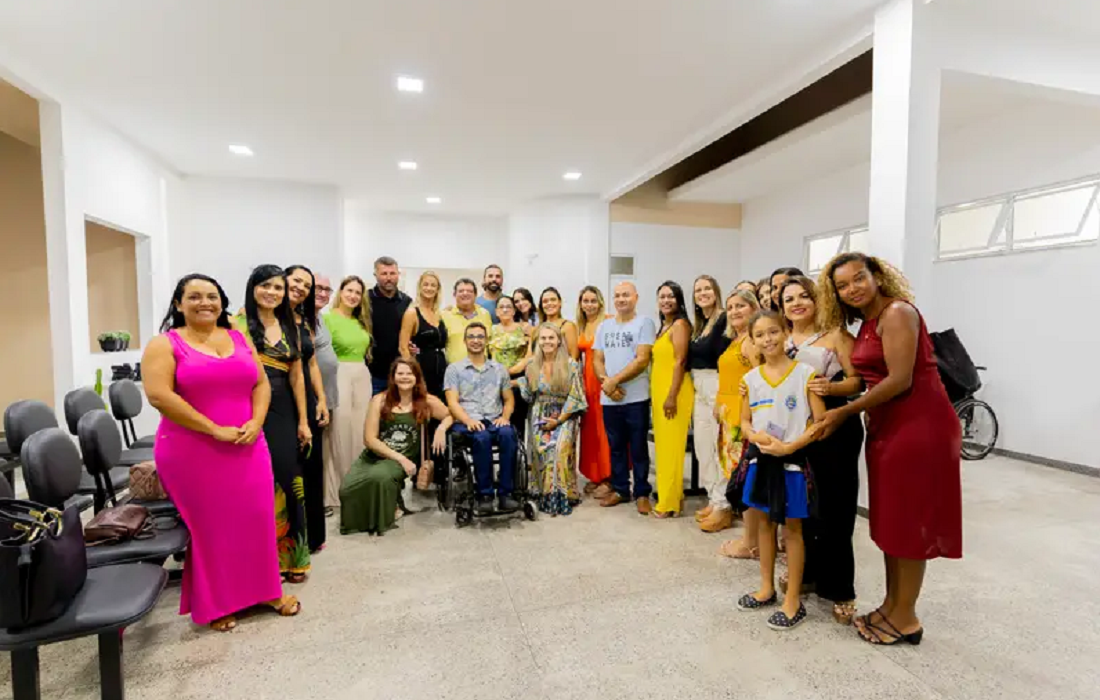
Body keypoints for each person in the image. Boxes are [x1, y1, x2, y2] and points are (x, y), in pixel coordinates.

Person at [817, 253, 962, 646]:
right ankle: (892, 604)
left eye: (858, 278)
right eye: (842, 286)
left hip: (919, 426)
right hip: (888, 427)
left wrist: (845, 410)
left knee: (911, 521)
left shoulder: (897, 313)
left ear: (877, 276)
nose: (852, 289)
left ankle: (907, 617)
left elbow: (899, 380)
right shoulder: (868, 321)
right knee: (894, 521)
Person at [143, 274, 300, 632]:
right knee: (212, 526)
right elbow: (159, 395)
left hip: (247, 443)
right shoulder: (164, 344)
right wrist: (213, 428)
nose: (205, 303)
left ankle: (266, 591)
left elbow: (261, 382)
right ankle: (219, 602)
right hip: (192, 449)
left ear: (222, 302)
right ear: (179, 303)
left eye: (212, 296)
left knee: (257, 518)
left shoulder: (237, 337)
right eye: (194, 296)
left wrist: (257, 421)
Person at [778, 275, 865, 624]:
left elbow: (858, 381)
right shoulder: (780, 338)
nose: (797, 303)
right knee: (803, 507)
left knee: (836, 509)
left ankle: (841, 588)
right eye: (788, 299)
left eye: (804, 296)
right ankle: (808, 574)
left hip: (834, 425)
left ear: (818, 300)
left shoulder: (837, 336)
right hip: (795, 430)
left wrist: (831, 388)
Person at [735, 310, 825, 632]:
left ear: (785, 332)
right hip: (762, 462)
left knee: (793, 529)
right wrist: (754, 435)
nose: (768, 339)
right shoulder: (750, 380)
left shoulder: (806, 374)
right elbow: (744, 421)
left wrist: (790, 447)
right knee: (764, 524)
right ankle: (766, 588)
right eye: (759, 335)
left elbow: (819, 422)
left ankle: (793, 601)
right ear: (752, 341)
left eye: (773, 331)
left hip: (792, 463)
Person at [237, 265, 311, 583]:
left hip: (283, 409)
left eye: (278, 288)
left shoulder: (289, 325)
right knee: (253, 483)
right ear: (253, 288)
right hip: (245, 407)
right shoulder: (236, 324)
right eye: (265, 286)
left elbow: (297, 377)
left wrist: (303, 420)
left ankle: (292, 559)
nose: (272, 292)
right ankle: (258, 562)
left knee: (288, 478)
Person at [340, 358, 452, 535]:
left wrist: (441, 428)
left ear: (416, 378)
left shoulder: (426, 401)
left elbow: (451, 414)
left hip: (405, 456)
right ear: (393, 377)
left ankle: (384, 514)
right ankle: (369, 517)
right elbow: (369, 439)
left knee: (380, 477)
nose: (405, 377)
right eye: (400, 373)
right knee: (347, 489)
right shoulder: (379, 400)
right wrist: (400, 458)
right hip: (378, 455)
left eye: (409, 373)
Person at [593, 282, 657, 514]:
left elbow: (642, 359)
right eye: (618, 295)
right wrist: (607, 384)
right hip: (610, 399)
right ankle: (621, 489)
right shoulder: (604, 326)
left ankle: (641, 492)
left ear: (636, 297)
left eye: (626, 295)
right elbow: (597, 359)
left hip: (636, 398)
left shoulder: (644, 323)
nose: (621, 299)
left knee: (638, 448)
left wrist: (614, 381)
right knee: (616, 447)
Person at [444, 322, 519, 514]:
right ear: (465, 341)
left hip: (494, 419)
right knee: (481, 437)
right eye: (471, 337)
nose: (476, 341)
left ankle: (506, 494)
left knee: (508, 434)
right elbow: (452, 403)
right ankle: (484, 495)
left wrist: (505, 417)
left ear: (486, 341)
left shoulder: (499, 369)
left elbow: (509, 400)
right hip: (466, 422)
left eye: (480, 337)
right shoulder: (454, 370)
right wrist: (468, 421)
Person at [516, 323, 587, 515]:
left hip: (565, 414)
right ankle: (543, 494)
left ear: (559, 341)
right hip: (539, 413)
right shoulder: (532, 365)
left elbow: (576, 397)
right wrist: (518, 382)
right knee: (542, 449)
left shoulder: (571, 365)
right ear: (538, 342)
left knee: (558, 448)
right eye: (543, 338)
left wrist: (559, 420)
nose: (547, 342)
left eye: (551, 338)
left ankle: (562, 495)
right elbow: (529, 396)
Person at [286, 265, 331, 553]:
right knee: (290, 470)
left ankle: (313, 537)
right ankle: (289, 538)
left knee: (312, 466)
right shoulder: (262, 319)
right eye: (296, 282)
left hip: (309, 396)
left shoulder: (304, 320)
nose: (301, 288)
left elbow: (311, 362)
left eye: (306, 285)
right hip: (281, 398)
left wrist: (321, 399)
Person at [714, 290, 761, 551]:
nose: (734, 312)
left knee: (743, 478)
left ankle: (751, 541)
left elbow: (759, 379)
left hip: (742, 418)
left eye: (740, 306)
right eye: (730, 307)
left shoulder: (752, 341)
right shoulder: (735, 340)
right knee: (736, 475)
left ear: (754, 308)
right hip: (728, 414)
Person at [322, 275, 373, 511]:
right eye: (349, 290)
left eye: (357, 293)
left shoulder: (361, 322)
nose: (353, 296)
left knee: (360, 431)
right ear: (340, 293)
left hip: (362, 376)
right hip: (338, 375)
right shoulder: (327, 319)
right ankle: (335, 493)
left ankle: (357, 486)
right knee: (338, 433)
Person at [688, 275, 732, 531]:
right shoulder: (700, 325)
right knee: (703, 447)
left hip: (717, 384)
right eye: (698, 290)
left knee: (718, 448)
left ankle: (724, 505)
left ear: (716, 292)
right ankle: (713, 498)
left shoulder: (724, 319)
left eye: (707, 288)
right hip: (699, 386)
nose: (702, 293)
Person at [651, 281, 695, 518]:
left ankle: (668, 504)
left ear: (679, 300)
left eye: (671, 296)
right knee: (665, 448)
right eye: (662, 296)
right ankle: (673, 498)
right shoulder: (664, 327)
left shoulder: (680, 325)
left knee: (671, 449)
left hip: (674, 392)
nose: (666, 301)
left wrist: (671, 396)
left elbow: (680, 361)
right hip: (660, 390)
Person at [575, 285, 611, 496]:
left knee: (605, 430)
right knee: (590, 431)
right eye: (585, 301)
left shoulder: (608, 321)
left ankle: (609, 477)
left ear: (600, 302)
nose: (589, 305)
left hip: (603, 379)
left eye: (593, 301)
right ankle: (595, 475)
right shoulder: (581, 325)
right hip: (586, 383)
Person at [312, 273, 341, 517]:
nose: (322, 293)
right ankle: (313, 503)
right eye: (318, 288)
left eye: (326, 290)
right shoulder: (298, 319)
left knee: (319, 450)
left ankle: (318, 498)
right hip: (311, 397)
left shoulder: (318, 317)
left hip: (324, 395)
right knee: (310, 452)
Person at [399, 271, 448, 399]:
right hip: (421, 369)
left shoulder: (439, 314)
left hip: (441, 370)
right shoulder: (412, 313)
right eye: (425, 284)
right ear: (419, 287)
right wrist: (412, 373)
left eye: (433, 285)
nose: (429, 288)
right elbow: (403, 347)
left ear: (437, 290)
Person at [487, 295, 531, 438]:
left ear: (514, 311)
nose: (505, 310)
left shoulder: (524, 328)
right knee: (498, 421)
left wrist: (512, 370)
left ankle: (519, 449)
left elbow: (529, 355)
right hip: (495, 380)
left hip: (518, 379)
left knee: (517, 421)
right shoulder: (491, 330)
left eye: (508, 307)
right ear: (496, 311)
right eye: (501, 307)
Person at [367, 256, 412, 395]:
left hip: (399, 374)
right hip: (372, 373)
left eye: (392, 273)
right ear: (375, 275)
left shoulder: (406, 301)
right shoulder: (365, 300)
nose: (388, 278)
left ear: (398, 274)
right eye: (384, 274)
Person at [442, 278, 493, 365]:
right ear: (454, 294)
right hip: (454, 370)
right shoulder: (445, 315)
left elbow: (490, 342)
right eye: (461, 291)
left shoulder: (485, 314)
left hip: (481, 368)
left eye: (469, 291)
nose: (465, 293)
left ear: (475, 294)